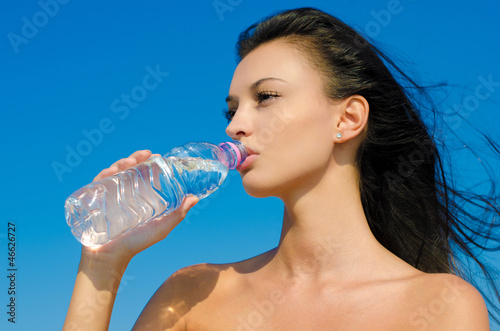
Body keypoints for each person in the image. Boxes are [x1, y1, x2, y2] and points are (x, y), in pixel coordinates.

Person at [64, 7, 499, 330]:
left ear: (346, 119)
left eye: (266, 97)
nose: (236, 125)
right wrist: (102, 264)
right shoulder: (193, 294)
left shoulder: (440, 306)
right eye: (231, 109)